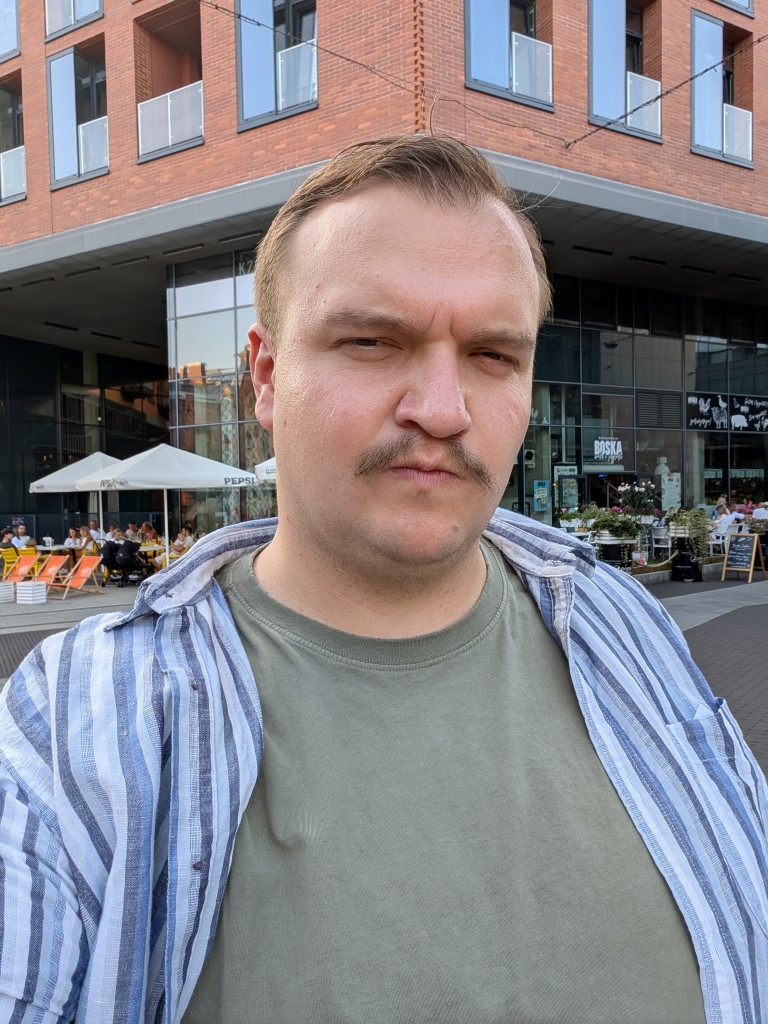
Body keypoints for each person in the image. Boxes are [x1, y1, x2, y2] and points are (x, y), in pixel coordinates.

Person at [0, 136, 766, 1023]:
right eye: (371, 341)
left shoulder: (618, 620)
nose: (442, 411)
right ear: (266, 377)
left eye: (493, 355)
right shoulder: (78, 726)